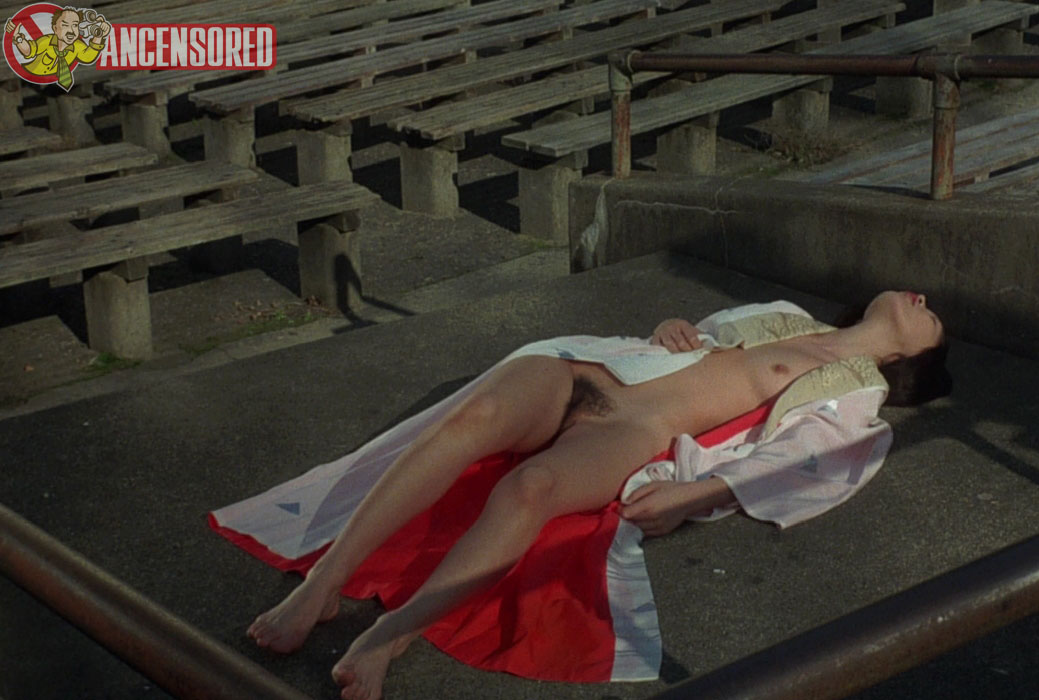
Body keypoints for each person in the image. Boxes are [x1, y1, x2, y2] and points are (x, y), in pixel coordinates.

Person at [226, 291, 950, 700]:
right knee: (472, 420)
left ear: (914, 356)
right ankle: (323, 584)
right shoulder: (790, 315)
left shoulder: (858, 391)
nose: (920, 298)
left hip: (637, 429)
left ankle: (390, 636)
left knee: (531, 489)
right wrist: (678, 328)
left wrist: (695, 494)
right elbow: (702, 336)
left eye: (931, 315)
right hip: (603, 369)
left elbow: (809, 460)